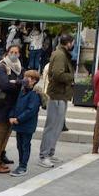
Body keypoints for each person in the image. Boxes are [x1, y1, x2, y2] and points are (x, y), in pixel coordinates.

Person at [38, 32, 74, 168]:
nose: (74, 45)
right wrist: (71, 77)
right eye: (73, 42)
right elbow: (58, 74)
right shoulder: (60, 55)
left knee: (57, 126)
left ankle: (50, 153)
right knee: (52, 125)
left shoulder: (62, 54)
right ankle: (44, 155)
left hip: (61, 94)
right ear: (68, 43)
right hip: (57, 94)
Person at [0, 46, 24, 174]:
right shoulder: (2, 66)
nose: (14, 54)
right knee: (0, 135)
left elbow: (21, 82)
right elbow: (4, 85)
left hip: (13, 106)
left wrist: (16, 82)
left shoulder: (18, 66)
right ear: (7, 53)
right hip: (2, 105)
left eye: (16, 52)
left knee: (6, 135)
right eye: (11, 52)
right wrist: (17, 83)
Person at [8, 69, 43, 177]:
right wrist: (11, 116)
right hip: (18, 123)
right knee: (19, 144)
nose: (25, 79)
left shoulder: (34, 93)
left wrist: (18, 119)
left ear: (34, 81)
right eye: (25, 77)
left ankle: (23, 166)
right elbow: (15, 104)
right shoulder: (23, 90)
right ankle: (21, 164)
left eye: (28, 78)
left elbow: (31, 110)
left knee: (25, 145)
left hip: (26, 124)